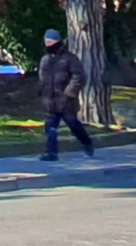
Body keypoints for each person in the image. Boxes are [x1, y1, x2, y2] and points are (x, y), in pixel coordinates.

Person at [38, 28, 96, 161]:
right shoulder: (45, 59)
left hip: (66, 101)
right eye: (46, 42)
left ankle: (87, 143)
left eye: (51, 41)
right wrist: (41, 91)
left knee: (73, 124)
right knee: (50, 127)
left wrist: (69, 93)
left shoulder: (70, 59)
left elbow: (78, 77)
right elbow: (42, 78)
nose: (48, 44)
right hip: (50, 100)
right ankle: (51, 153)